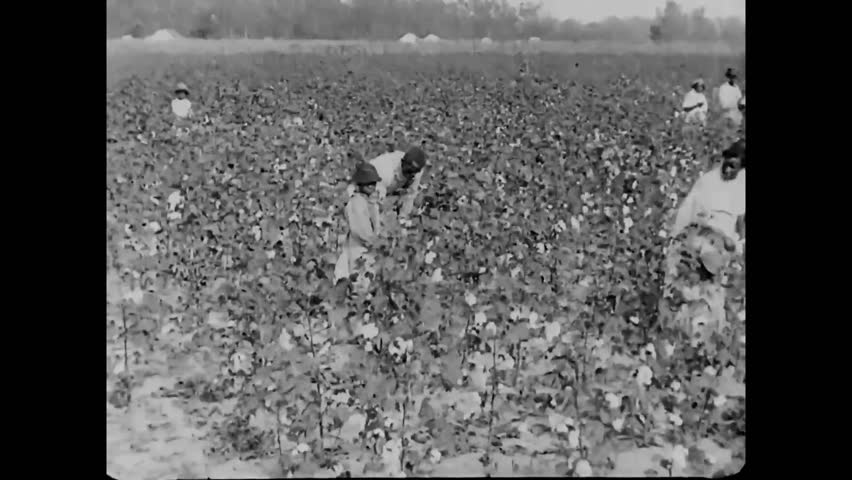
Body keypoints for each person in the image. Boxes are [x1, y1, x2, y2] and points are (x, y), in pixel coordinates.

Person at [662, 139, 746, 345]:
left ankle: (708, 340)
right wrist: (677, 240)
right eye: (727, 164)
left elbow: (740, 222)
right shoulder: (707, 182)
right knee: (686, 292)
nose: (728, 170)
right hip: (696, 242)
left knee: (713, 297)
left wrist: (736, 245)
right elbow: (688, 214)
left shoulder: (741, 187)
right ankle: (679, 337)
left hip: (721, 250)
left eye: (734, 167)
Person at [334, 162, 383, 290]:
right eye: (368, 183)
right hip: (359, 248)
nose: (372, 186)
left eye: (373, 183)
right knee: (360, 279)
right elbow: (362, 232)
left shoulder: (370, 201)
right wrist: (376, 242)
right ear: (360, 184)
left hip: (368, 248)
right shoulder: (356, 203)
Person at [346, 146, 427, 223]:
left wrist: (403, 217)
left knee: (414, 199)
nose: (411, 174)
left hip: (389, 189)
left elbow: (410, 195)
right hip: (367, 185)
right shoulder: (386, 171)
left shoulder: (416, 174)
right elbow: (378, 201)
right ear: (402, 162)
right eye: (409, 171)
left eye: (414, 172)